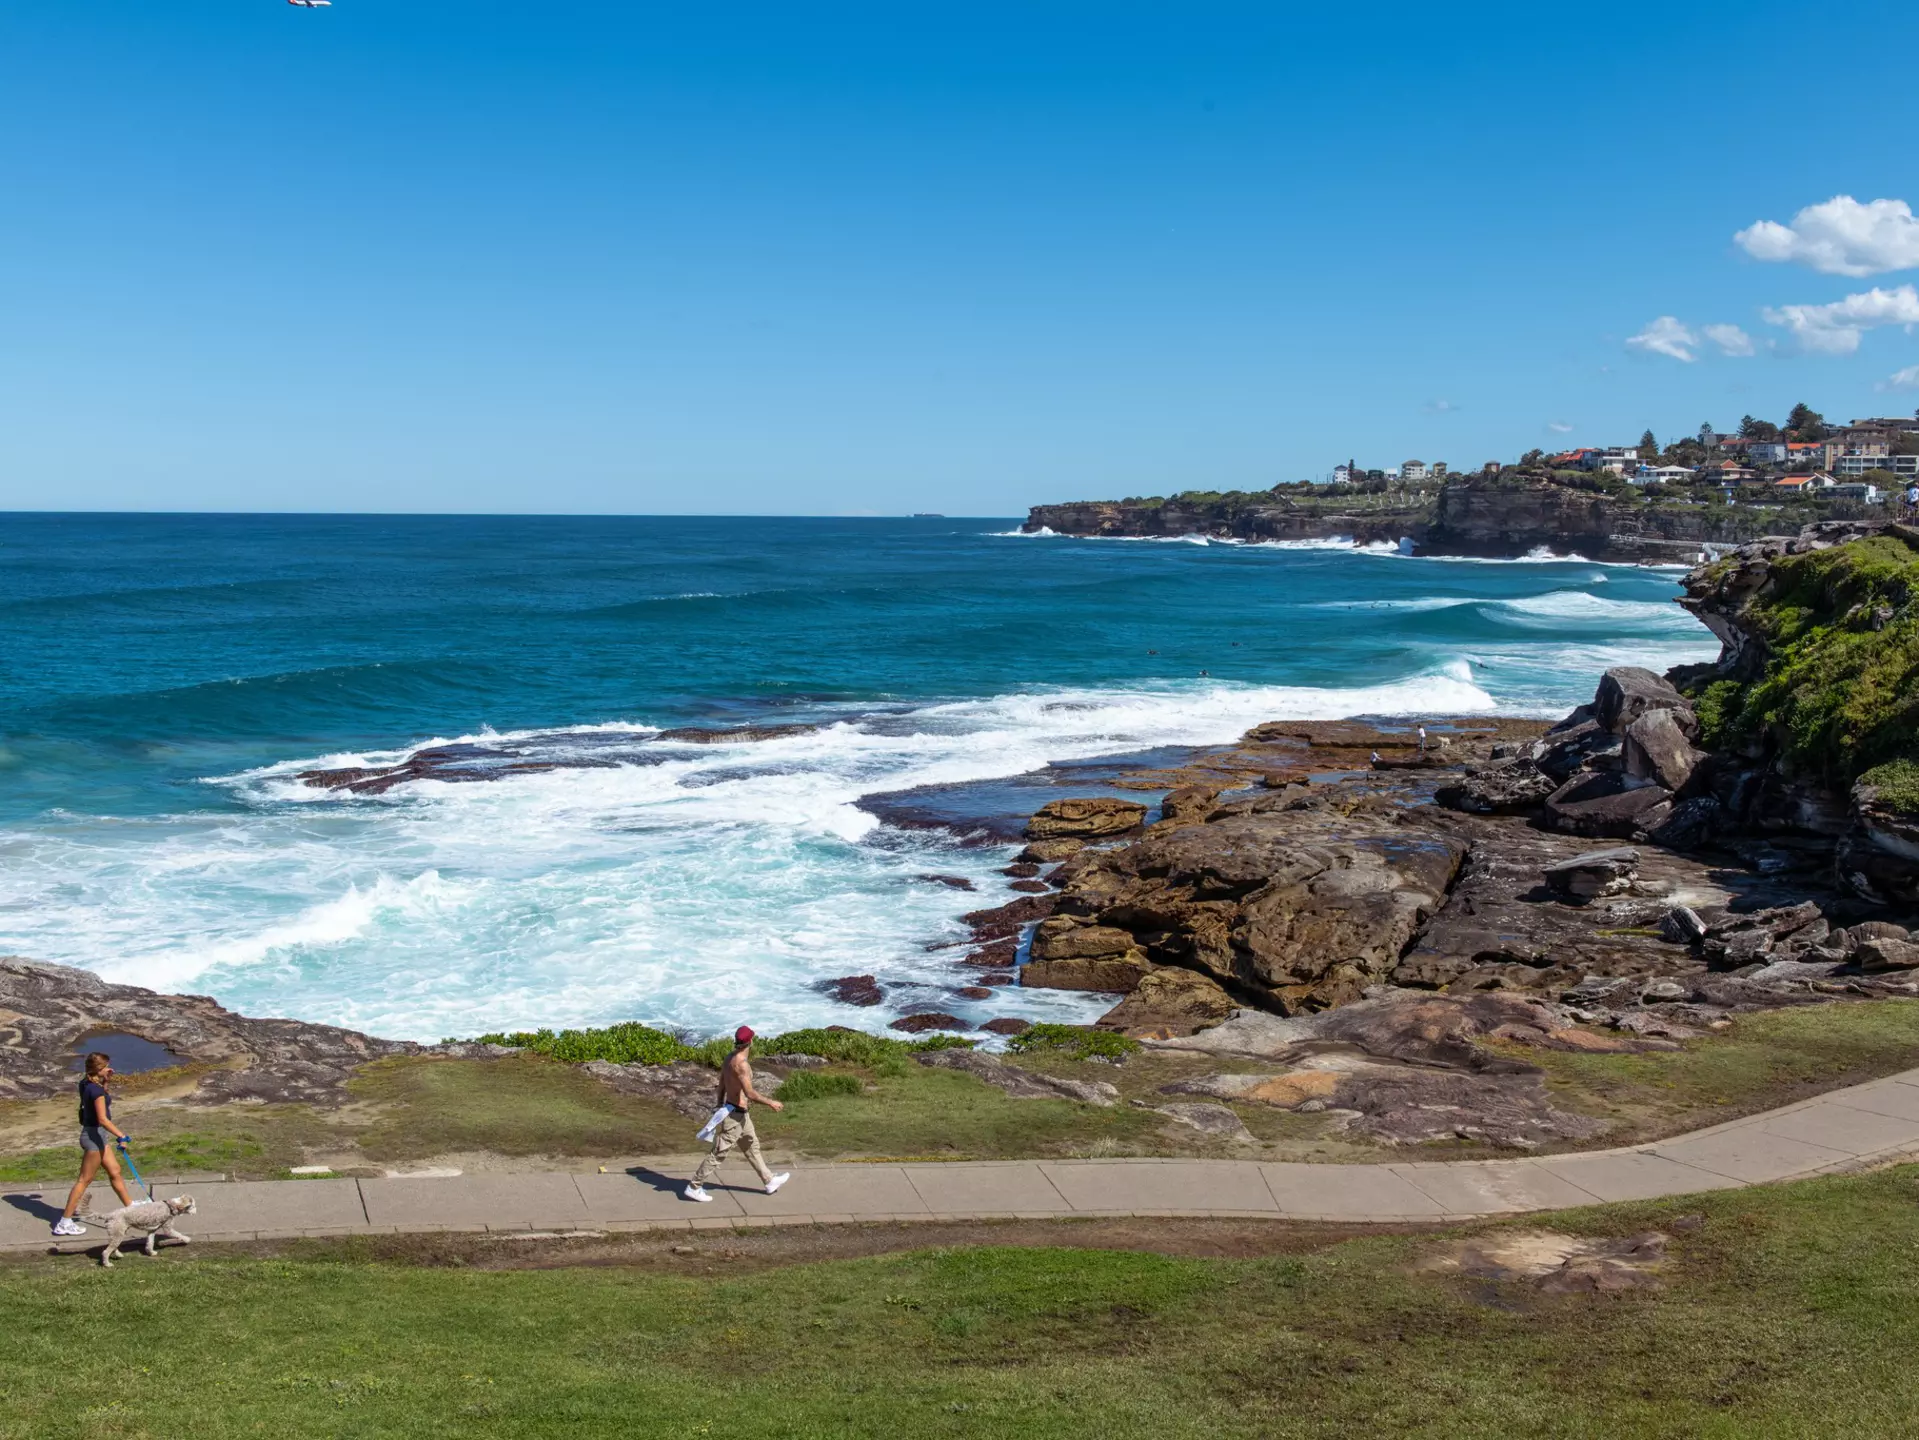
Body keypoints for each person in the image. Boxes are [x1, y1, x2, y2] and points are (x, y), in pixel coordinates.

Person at [684, 1027, 790, 1202]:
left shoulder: (728, 1058)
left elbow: (722, 1083)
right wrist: (771, 1102)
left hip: (740, 1114)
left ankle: (769, 1180)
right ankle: (694, 1186)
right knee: (719, 1153)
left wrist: (719, 1102)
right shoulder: (741, 1064)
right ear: (751, 1041)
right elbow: (750, 1093)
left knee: (751, 1146)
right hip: (734, 1116)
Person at [54, 1052, 134, 1237]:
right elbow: (103, 1119)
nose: (109, 1068)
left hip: (96, 1135)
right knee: (84, 1181)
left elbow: (101, 1098)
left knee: (115, 1171)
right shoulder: (95, 1091)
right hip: (94, 1137)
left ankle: (130, 1207)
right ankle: (64, 1223)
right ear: (98, 1069)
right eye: (106, 1066)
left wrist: (106, 1081)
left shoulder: (85, 1083)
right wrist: (122, 1135)